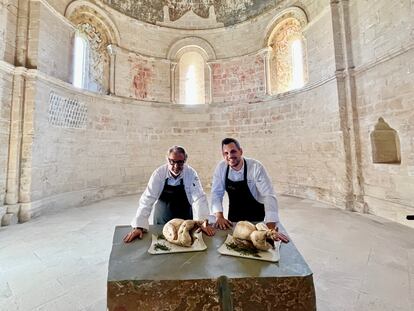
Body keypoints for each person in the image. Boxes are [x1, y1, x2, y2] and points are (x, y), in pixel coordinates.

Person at [124, 145, 215, 243]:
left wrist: (203, 222)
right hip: (161, 222)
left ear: (184, 161)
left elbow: (199, 198)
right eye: (172, 161)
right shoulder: (159, 174)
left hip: (184, 223)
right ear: (167, 160)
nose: (176, 166)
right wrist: (139, 227)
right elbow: (147, 199)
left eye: (180, 162)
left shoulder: (191, 173)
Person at [211, 138, 289, 243]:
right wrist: (219, 216)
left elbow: (268, 195)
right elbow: (216, 193)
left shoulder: (256, 167)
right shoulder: (221, 168)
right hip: (234, 218)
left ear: (241, 151)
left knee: (259, 245)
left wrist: (270, 227)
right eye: (226, 153)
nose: (230, 156)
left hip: (256, 216)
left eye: (233, 151)